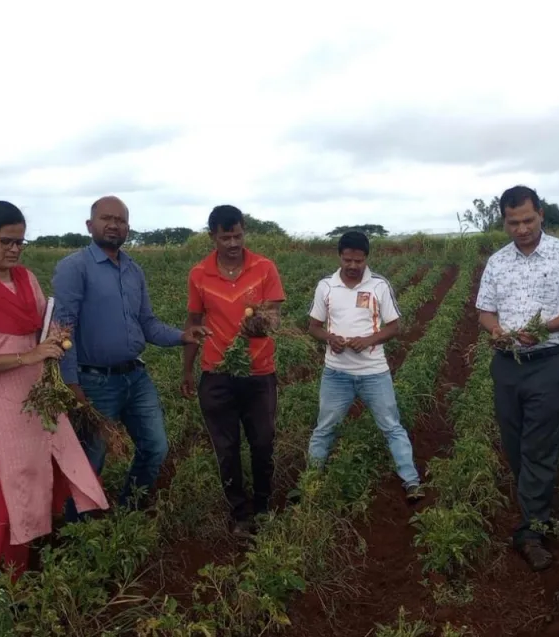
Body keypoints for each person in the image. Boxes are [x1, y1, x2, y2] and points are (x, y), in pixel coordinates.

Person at [0, 201, 109, 634]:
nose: (15, 249)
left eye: (21, 241)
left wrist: (52, 338)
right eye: (6, 241)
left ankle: (13, 592)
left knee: (31, 499)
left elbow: (35, 331)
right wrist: (26, 354)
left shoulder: (27, 280)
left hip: (34, 407)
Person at [52, 195, 208, 521]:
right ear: (90, 225)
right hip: (93, 381)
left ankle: (128, 512)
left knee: (155, 447)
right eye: (107, 218)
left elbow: (147, 323)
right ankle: (77, 534)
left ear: (128, 227)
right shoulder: (74, 268)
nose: (114, 225)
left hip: (135, 377)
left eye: (121, 220)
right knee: (90, 459)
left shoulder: (133, 270)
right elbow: (62, 330)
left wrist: (182, 336)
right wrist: (70, 383)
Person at [476, 185, 559, 571]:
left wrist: (544, 327)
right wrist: (496, 332)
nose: (522, 228)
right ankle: (535, 501)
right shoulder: (497, 262)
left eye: (528, 220)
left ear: (541, 214)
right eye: (514, 222)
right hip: (507, 364)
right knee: (515, 444)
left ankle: (532, 529)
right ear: (504, 222)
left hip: (547, 362)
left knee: (539, 446)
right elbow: (485, 312)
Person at [182, 205, 285, 538]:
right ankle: (240, 513)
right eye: (225, 237)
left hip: (258, 373)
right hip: (216, 374)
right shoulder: (199, 274)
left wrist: (261, 322)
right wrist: (187, 369)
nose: (232, 243)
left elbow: (274, 315)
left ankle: (264, 506)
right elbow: (194, 323)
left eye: (238, 235)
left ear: (244, 233)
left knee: (263, 443)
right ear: (212, 236)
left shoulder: (264, 267)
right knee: (226, 449)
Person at [306, 230, 424, 503]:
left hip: (374, 372)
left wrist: (369, 340)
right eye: (347, 260)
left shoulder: (379, 286)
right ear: (339, 257)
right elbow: (313, 327)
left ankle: (411, 481)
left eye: (358, 261)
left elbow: (395, 326)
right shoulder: (326, 286)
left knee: (391, 426)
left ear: (366, 258)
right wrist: (330, 338)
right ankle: (310, 483)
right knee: (324, 428)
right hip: (336, 373)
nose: (352, 266)